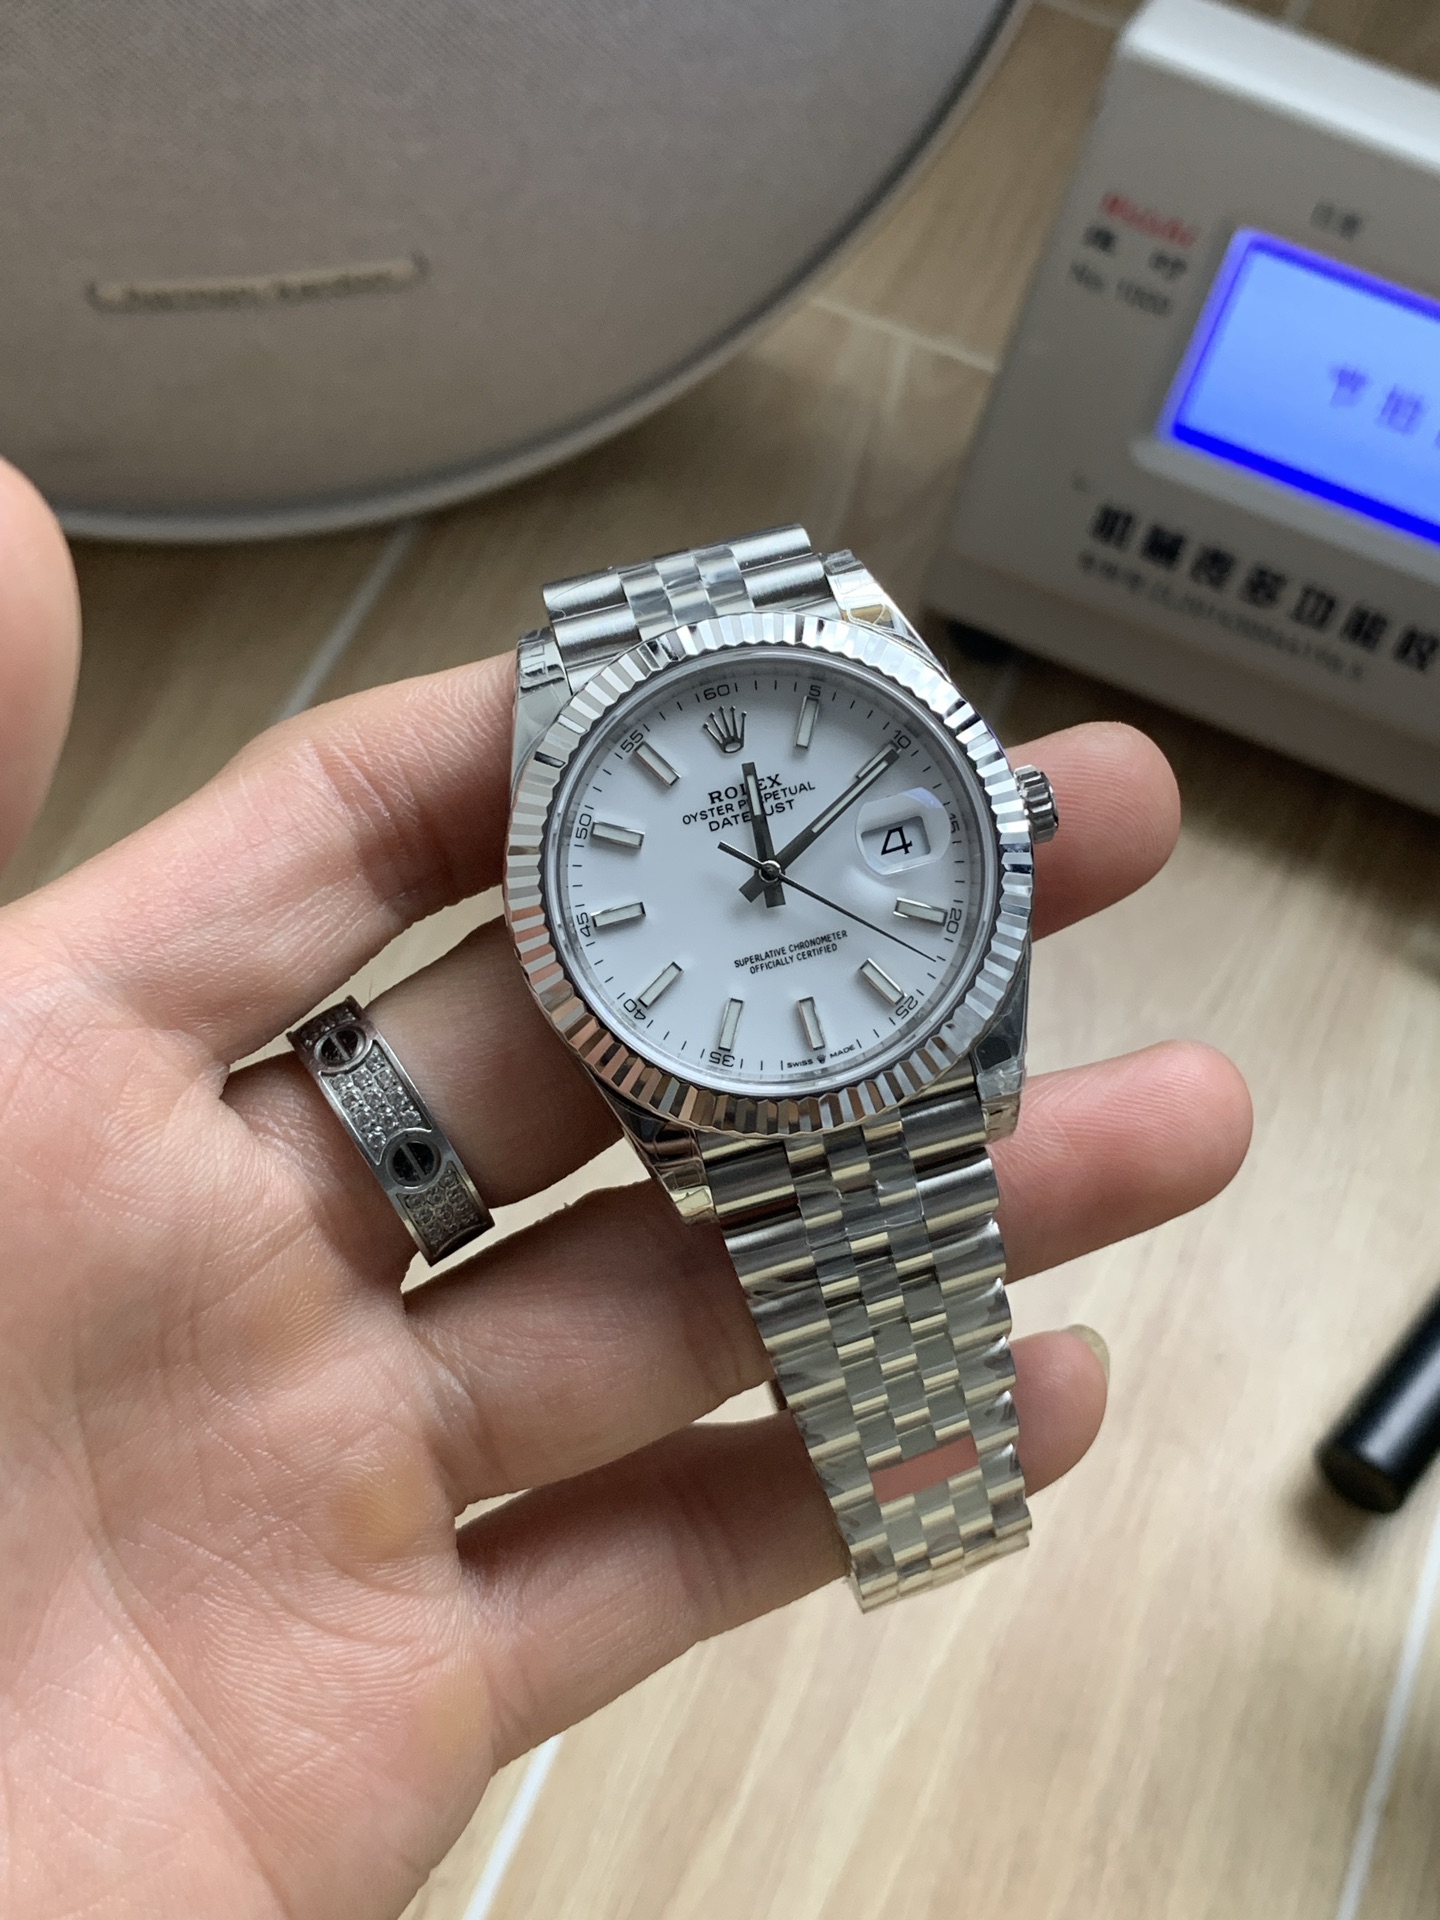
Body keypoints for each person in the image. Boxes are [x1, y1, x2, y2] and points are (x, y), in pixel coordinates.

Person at [0, 461, 1251, 1919]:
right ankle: (928, 1504)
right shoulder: (588, 875)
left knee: (946, 1385)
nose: (769, 879)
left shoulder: (861, 666)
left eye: (782, 859)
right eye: (752, 868)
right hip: (740, 1085)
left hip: (887, 1050)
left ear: (1002, 808)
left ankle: (936, 1497)